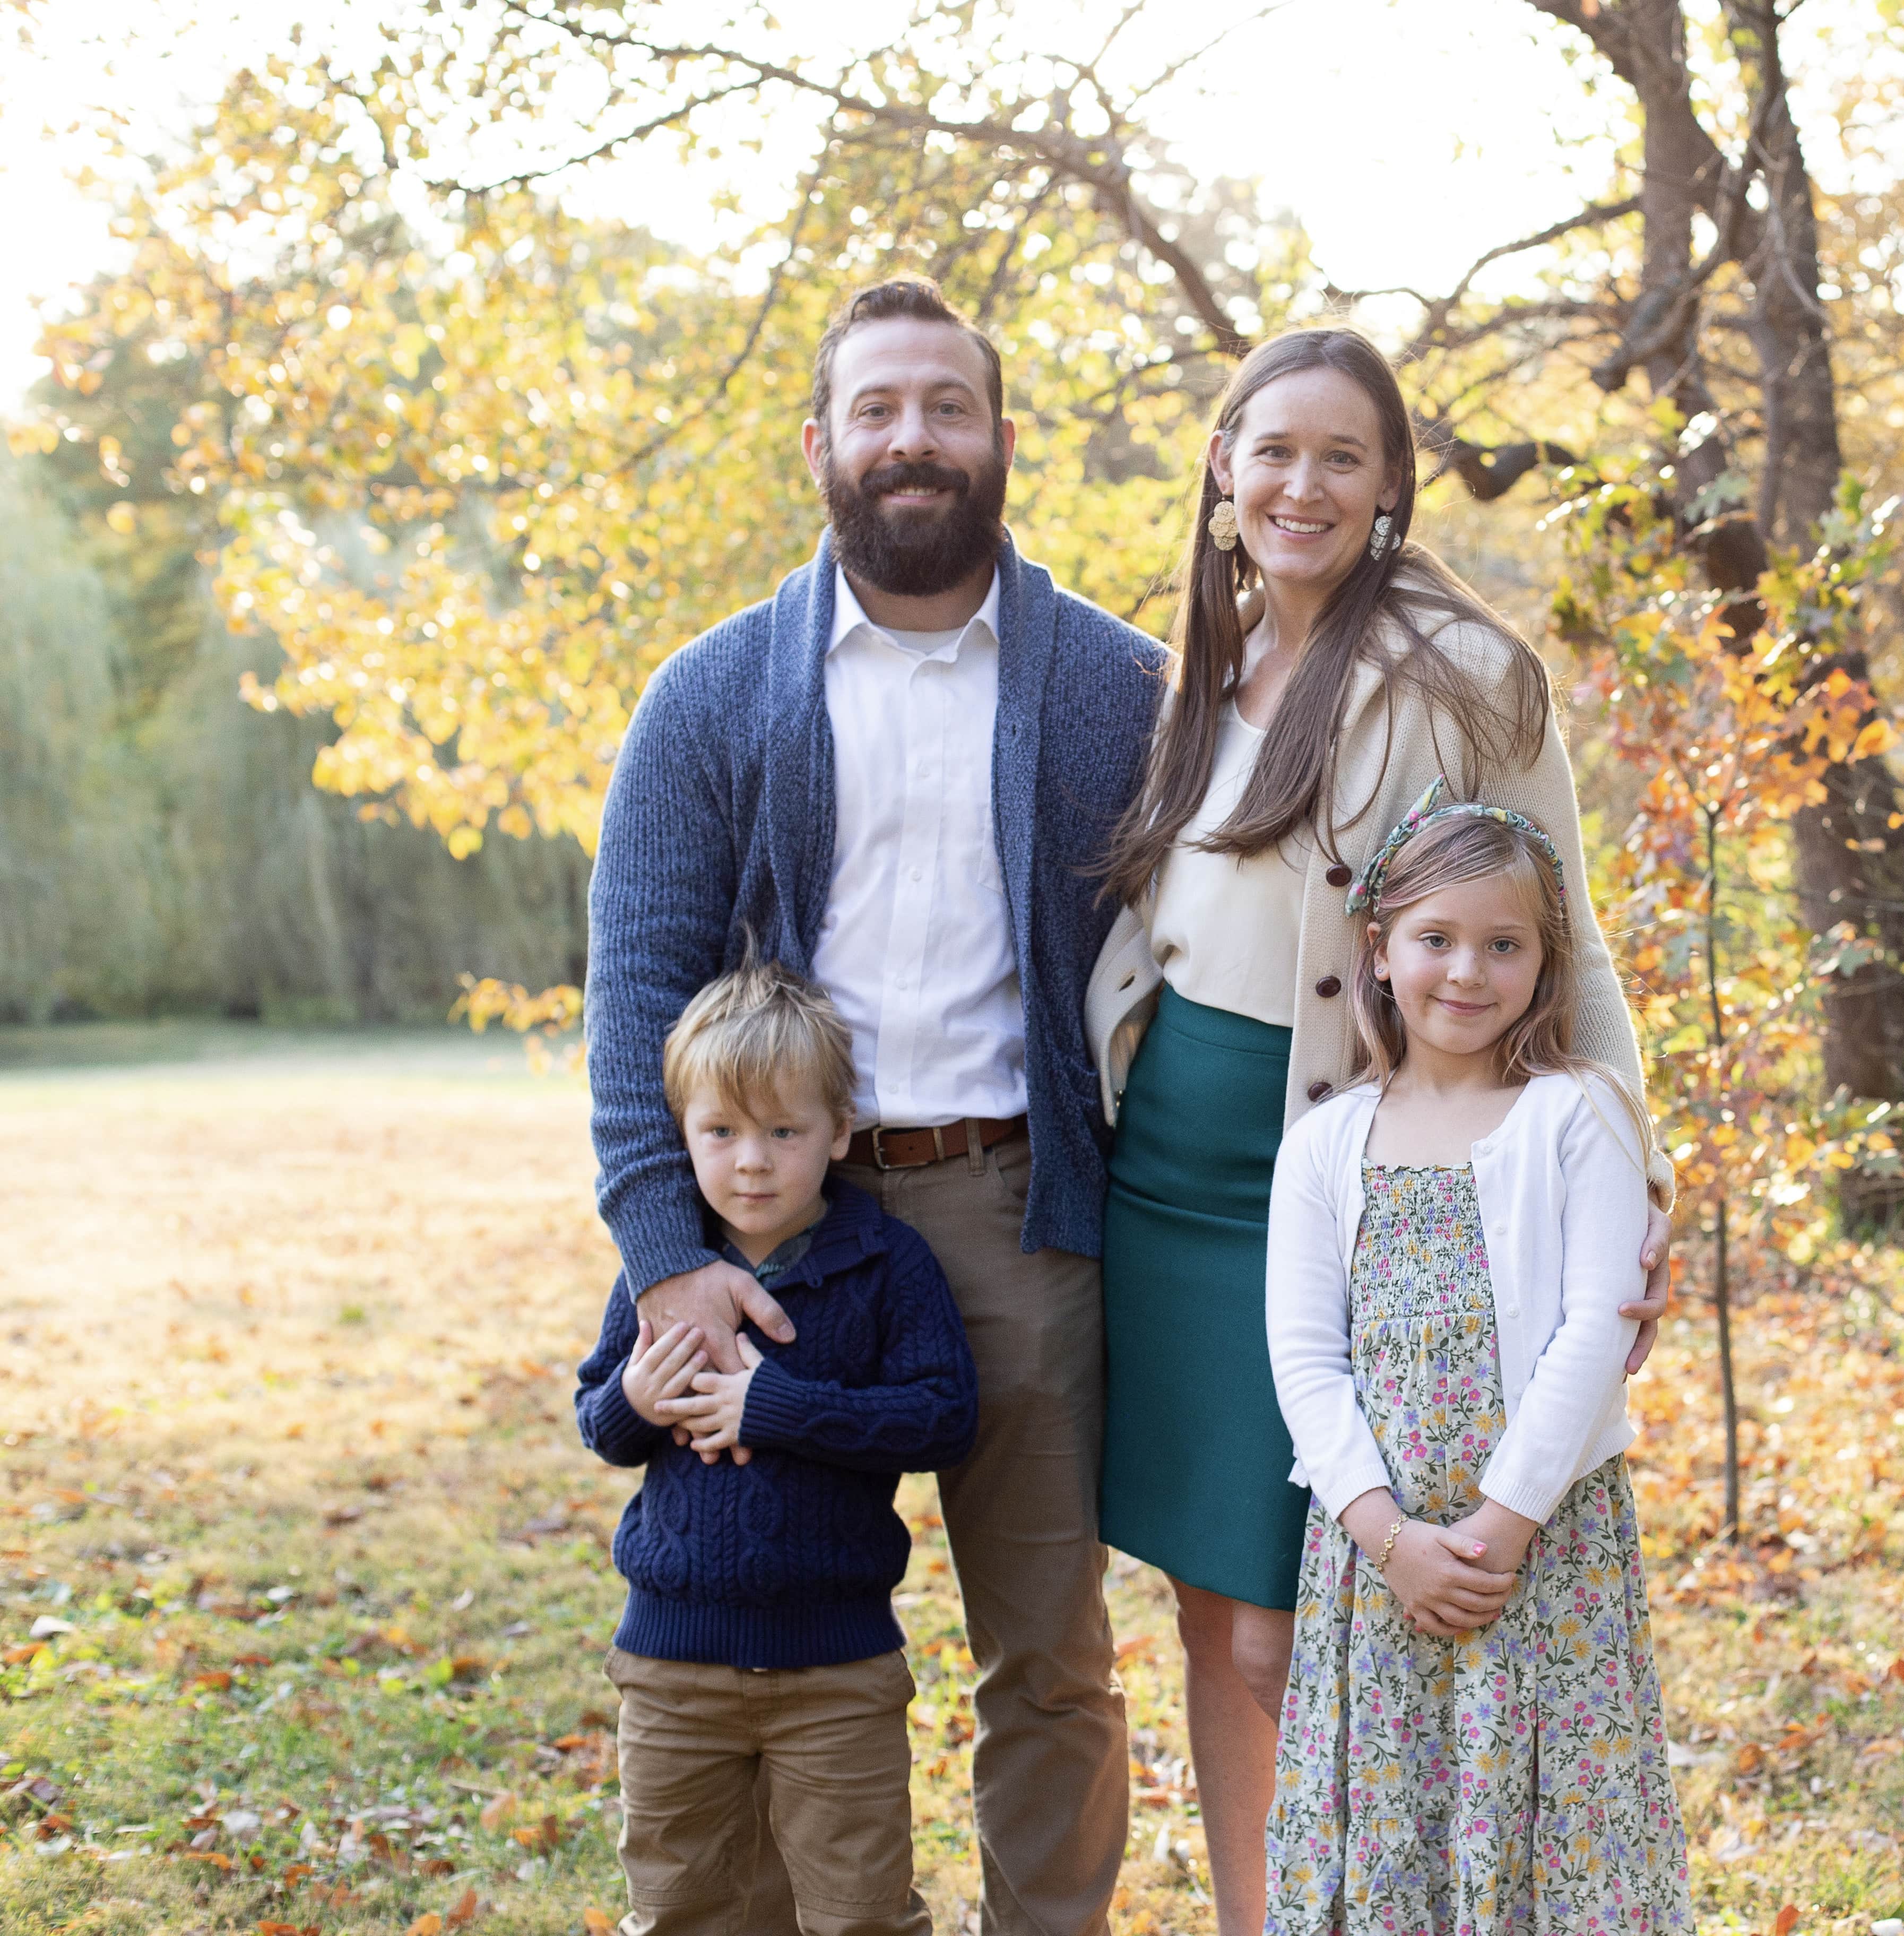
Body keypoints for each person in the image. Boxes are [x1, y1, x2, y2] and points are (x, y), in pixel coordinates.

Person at [586, 279, 1163, 1934]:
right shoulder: (709, 695)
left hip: (1018, 1209)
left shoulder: (1121, 689)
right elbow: (634, 992)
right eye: (878, 408)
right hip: (769, 1228)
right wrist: (664, 1259)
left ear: (998, 438)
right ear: (825, 441)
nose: (913, 437)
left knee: (1047, 1655)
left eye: (948, 407)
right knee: (742, 1638)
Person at [1087, 326, 1675, 1930]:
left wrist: (1639, 1168)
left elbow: (1577, 931)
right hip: (1177, 1194)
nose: (1302, 484)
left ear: (1390, 486)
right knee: (1222, 1615)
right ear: (1223, 468)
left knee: (1306, 1627)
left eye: (1341, 456)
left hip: (1367, 1181)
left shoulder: (1466, 674)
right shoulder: (1194, 665)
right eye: (1272, 450)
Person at [1262, 792, 1692, 1931]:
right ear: (1380, 951)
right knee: (1401, 1817)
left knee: (1545, 1823)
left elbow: (1590, 1334)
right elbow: (1304, 1359)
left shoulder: (1574, 1115)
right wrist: (1387, 1537)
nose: (1466, 971)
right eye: (1436, 940)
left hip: (1538, 1554)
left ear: (1545, 966)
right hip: (1381, 1564)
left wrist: (1499, 1528)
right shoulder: (1324, 1141)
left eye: (1503, 945)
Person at [574, 960, 979, 1936]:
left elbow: (940, 1416)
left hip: (835, 1672)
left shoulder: (885, 1263)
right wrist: (634, 1394)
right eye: (720, 1132)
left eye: (782, 1132)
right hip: (673, 1668)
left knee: (858, 1914)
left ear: (838, 1132)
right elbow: (602, 1423)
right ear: (684, 1135)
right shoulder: (664, 1270)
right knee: (682, 1907)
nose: (750, 1161)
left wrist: (778, 1408)